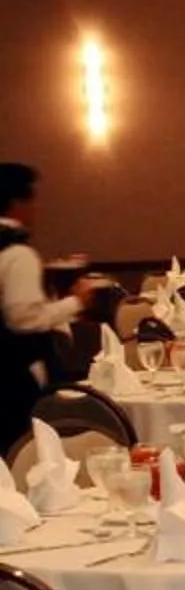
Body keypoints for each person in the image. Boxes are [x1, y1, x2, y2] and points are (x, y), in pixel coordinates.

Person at [0, 164, 110, 455]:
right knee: (24, 449)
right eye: (33, 201)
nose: (36, 209)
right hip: (14, 376)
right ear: (18, 204)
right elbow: (24, 318)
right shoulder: (18, 254)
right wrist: (77, 301)